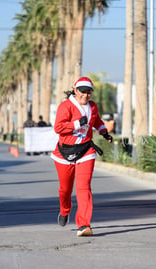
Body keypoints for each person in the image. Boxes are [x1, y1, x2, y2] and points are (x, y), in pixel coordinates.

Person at [51, 76, 113, 237]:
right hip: (64, 153)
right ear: (75, 90)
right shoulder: (66, 106)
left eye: (89, 92)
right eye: (83, 91)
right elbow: (58, 127)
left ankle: (84, 224)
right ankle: (65, 210)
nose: (86, 95)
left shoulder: (92, 106)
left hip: (86, 151)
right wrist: (78, 123)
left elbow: (96, 121)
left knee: (83, 187)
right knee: (65, 189)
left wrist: (103, 131)